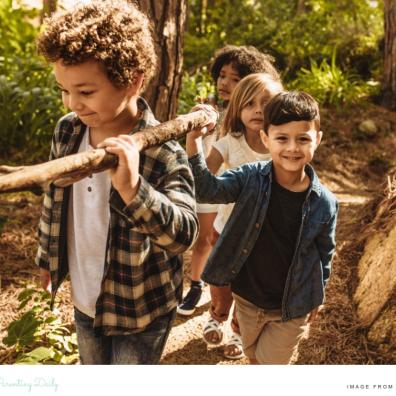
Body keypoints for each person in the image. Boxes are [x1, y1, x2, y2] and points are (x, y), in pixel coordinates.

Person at [35, 0, 198, 365]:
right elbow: (54, 196)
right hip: (86, 297)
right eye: (64, 90)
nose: (73, 103)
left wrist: (133, 188)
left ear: (134, 80)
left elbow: (184, 235)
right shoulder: (67, 131)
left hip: (141, 308)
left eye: (86, 92)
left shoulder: (162, 152)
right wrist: (47, 256)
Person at [186, 91, 338, 364]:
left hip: (291, 306)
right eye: (282, 138)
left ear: (318, 139)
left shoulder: (325, 203)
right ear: (266, 139)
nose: (292, 147)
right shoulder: (250, 178)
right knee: (254, 356)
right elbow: (207, 190)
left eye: (303, 139)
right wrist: (194, 139)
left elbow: (324, 253)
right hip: (246, 298)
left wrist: (318, 294)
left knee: (271, 365)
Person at [177, 45, 281, 320]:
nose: (225, 83)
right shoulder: (210, 109)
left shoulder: (270, 132)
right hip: (215, 189)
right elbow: (207, 166)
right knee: (207, 239)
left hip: (243, 203)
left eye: (235, 79)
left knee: (239, 259)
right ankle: (199, 286)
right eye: (222, 76)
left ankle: (236, 317)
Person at [191, 73, 283, 360]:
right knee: (222, 285)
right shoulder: (230, 142)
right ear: (238, 109)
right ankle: (217, 315)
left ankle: (238, 331)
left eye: (266, 103)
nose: (258, 110)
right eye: (250, 104)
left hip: (263, 237)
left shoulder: (282, 145)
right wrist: (195, 139)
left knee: (248, 291)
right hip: (226, 231)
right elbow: (203, 178)